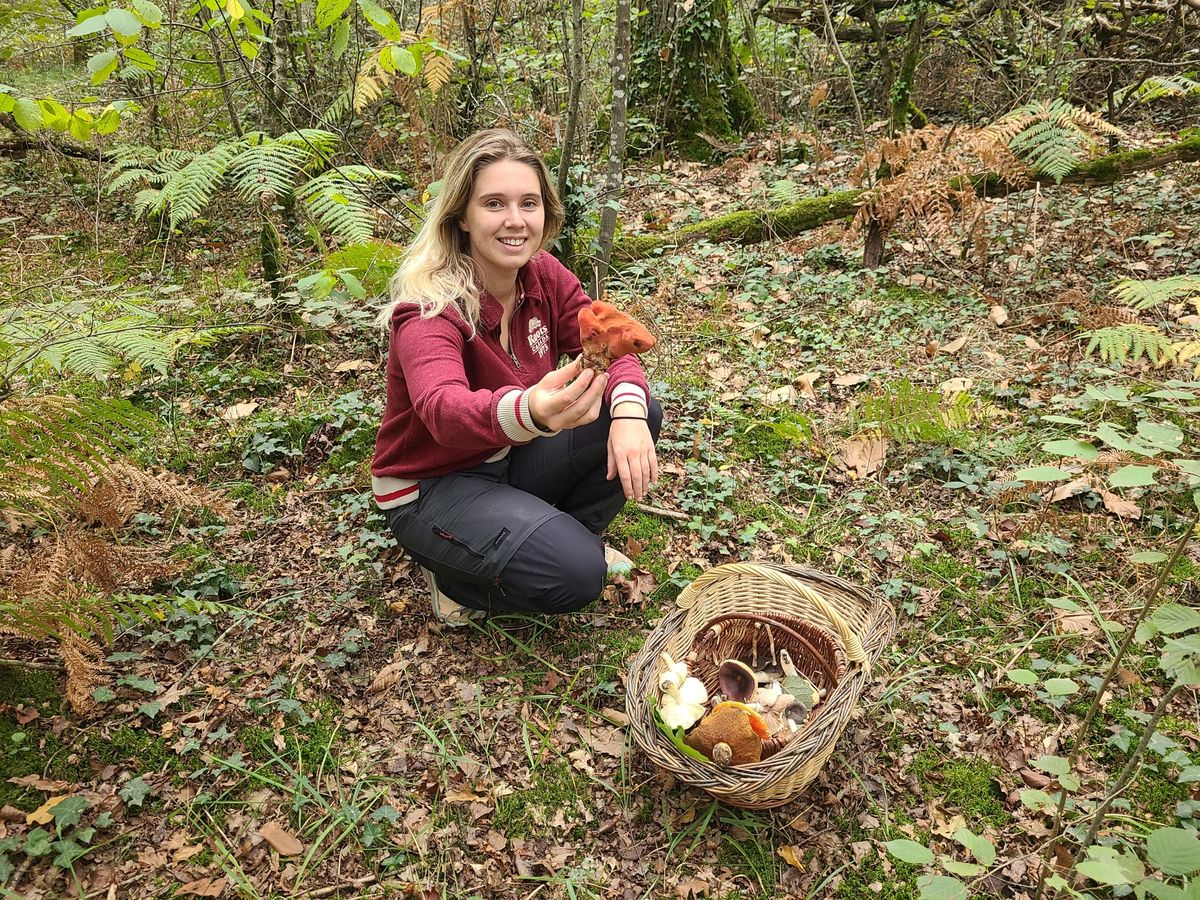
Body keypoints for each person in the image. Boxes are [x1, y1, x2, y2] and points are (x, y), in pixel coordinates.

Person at [372, 128, 663, 626]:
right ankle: (456, 582)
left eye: (529, 203)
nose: (515, 220)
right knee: (576, 576)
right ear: (461, 215)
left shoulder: (543, 275)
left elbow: (609, 338)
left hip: (507, 455)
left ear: (545, 212)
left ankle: (568, 535)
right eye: (494, 203)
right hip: (434, 484)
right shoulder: (428, 309)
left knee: (635, 406)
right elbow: (443, 408)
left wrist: (631, 413)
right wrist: (529, 409)